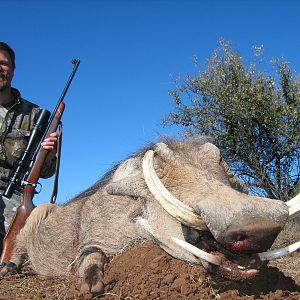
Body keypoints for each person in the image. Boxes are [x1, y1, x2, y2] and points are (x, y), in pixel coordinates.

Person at [0, 41, 58, 252]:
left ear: (13, 70)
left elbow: (46, 173)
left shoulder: (35, 116)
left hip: (14, 195)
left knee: (32, 241)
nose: (0, 68)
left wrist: (49, 156)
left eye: (4, 64)